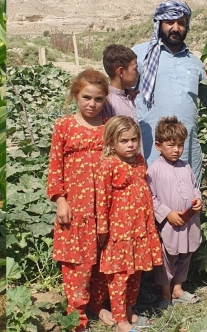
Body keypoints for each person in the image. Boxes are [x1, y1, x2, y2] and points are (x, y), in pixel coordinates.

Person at [133, 0, 207, 185]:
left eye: (181, 23)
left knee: (186, 195)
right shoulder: (140, 55)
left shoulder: (194, 62)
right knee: (151, 195)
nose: (176, 28)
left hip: (184, 146)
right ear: (159, 23)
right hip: (150, 145)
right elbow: (122, 94)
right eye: (170, 22)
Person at [46, 68, 113, 331]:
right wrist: (61, 199)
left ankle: (97, 307)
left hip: (104, 207)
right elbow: (55, 164)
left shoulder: (109, 126)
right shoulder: (64, 126)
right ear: (76, 95)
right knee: (78, 263)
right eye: (86, 97)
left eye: (98, 99)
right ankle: (78, 317)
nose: (92, 104)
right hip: (77, 206)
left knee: (101, 261)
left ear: (104, 99)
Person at [94, 116, 163, 332]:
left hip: (140, 229)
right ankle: (120, 320)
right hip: (120, 232)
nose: (131, 144)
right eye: (124, 141)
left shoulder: (140, 160)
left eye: (134, 139)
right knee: (120, 276)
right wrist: (103, 230)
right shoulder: (108, 165)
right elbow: (102, 200)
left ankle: (130, 311)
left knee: (136, 273)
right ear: (111, 142)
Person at [146, 116, 203, 307]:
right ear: (158, 145)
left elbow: (195, 187)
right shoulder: (153, 171)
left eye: (180, 145)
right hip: (169, 224)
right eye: (171, 145)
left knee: (185, 254)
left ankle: (178, 289)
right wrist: (167, 213)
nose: (176, 150)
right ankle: (165, 293)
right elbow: (150, 198)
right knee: (167, 258)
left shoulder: (186, 167)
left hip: (188, 222)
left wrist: (198, 199)